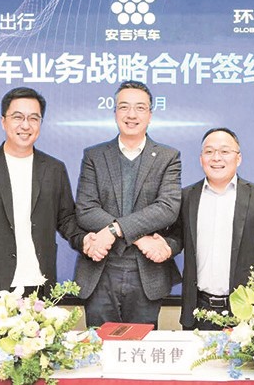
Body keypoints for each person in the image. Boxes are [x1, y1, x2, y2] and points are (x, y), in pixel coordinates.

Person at [0, 87, 90, 297]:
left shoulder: (54, 169)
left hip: (39, 285)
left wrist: (87, 241)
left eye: (33, 118)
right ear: (3, 121)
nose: (25, 125)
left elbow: (66, 219)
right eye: (17, 117)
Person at [73, 80, 182, 328]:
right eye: (124, 107)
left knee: (142, 348)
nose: (131, 115)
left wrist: (114, 229)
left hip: (146, 274)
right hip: (101, 270)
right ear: (115, 112)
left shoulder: (168, 157)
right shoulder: (94, 155)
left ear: (150, 114)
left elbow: (167, 209)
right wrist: (141, 239)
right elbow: (86, 210)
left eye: (140, 108)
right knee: (99, 347)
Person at [174, 127, 254, 330]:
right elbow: (175, 239)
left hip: (246, 314)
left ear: (238, 158)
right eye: (209, 151)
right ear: (201, 159)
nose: (216, 158)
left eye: (224, 151)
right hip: (198, 312)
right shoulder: (187, 197)